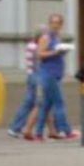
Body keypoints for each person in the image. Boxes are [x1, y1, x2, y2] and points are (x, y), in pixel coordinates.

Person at [34, 13, 79, 141]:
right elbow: (39, 54)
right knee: (59, 102)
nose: (55, 25)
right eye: (53, 22)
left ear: (61, 25)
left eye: (58, 23)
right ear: (49, 24)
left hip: (56, 73)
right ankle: (66, 130)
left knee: (47, 105)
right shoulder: (46, 37)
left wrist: (62, 52)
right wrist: (55, 52)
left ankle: (38, 133)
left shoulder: (57, 37)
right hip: (48, 74)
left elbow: (55, 54)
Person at [7, 27, 43, 139]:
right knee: (37, 102)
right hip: (36, 76)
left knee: (29, 102)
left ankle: (16, 127)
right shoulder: (35, 47)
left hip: (31, 75)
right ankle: (16, 127)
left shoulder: (30, 45)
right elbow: (39, 62)